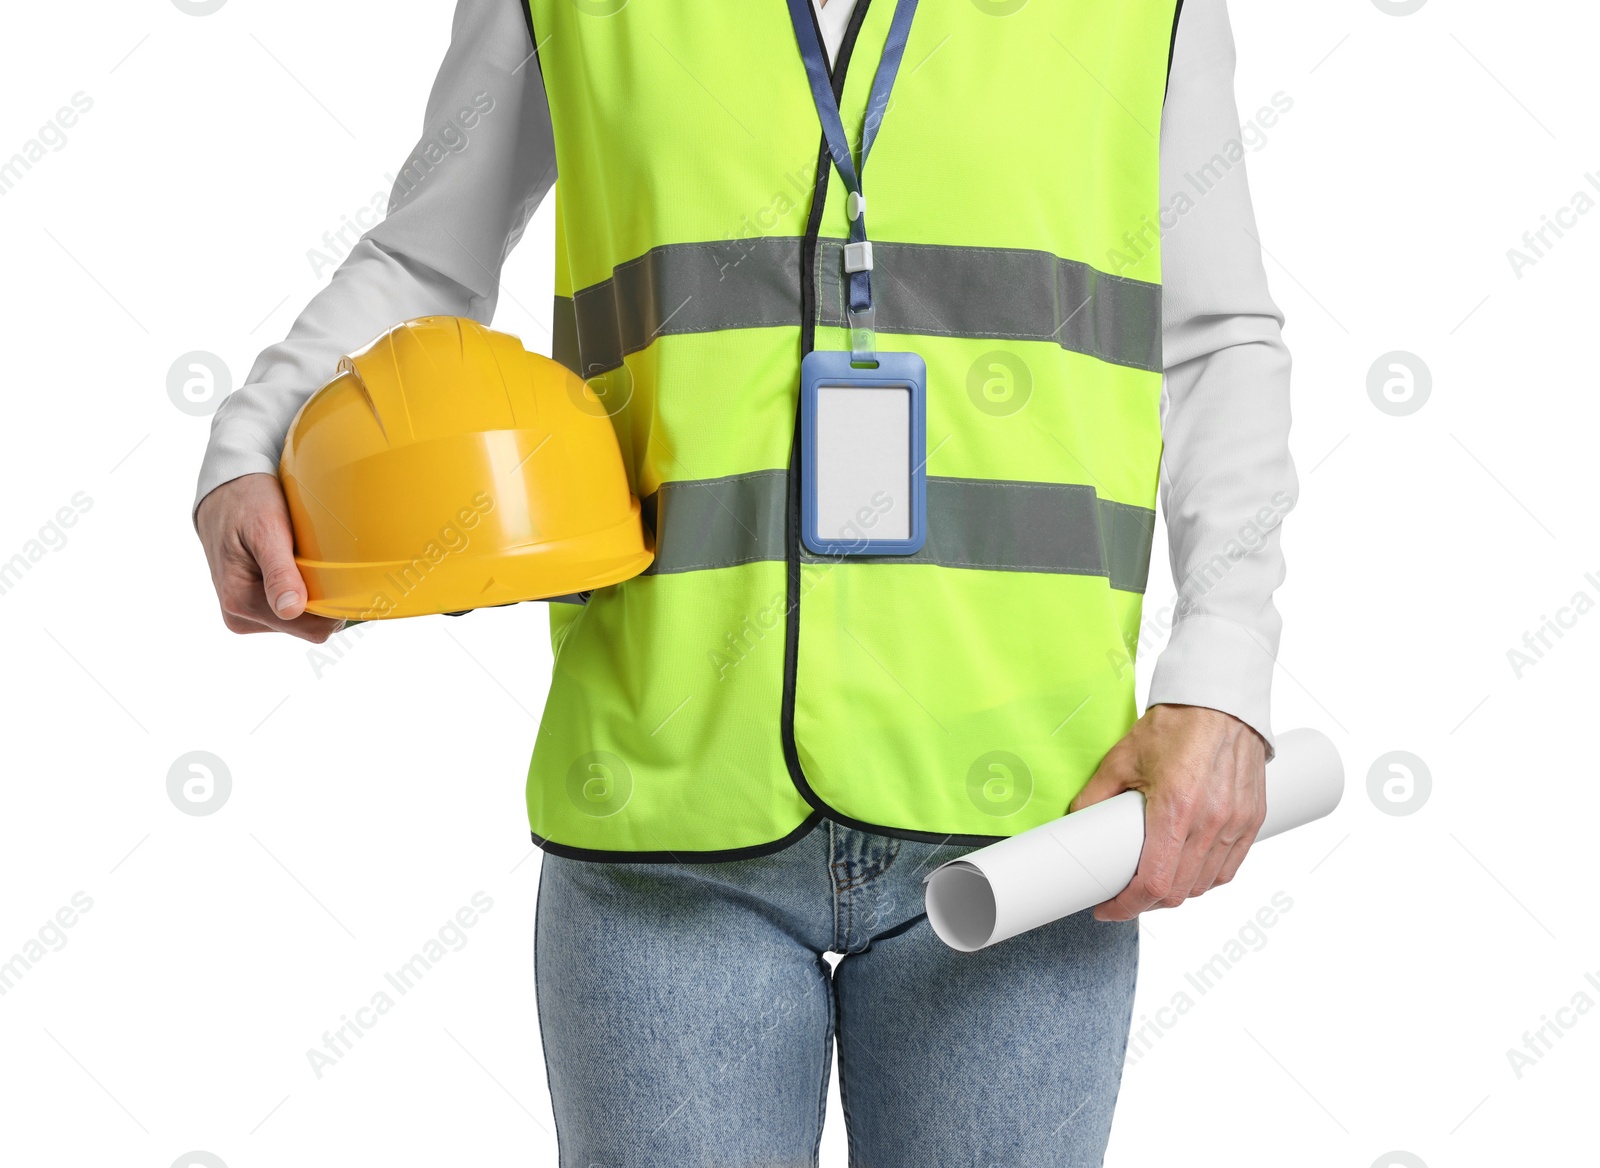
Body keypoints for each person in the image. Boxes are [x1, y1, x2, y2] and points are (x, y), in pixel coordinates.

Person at [194, 0, 1295, 1162]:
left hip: (1030, 809)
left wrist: (1222, 673)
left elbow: (1215, 334)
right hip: (667, 797)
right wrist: (252, 441)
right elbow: (427, 253)